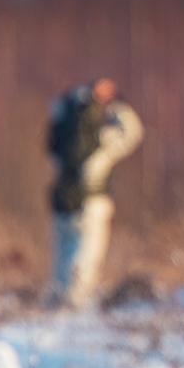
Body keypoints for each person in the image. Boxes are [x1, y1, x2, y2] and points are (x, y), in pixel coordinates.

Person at [46, 78, 143, 308]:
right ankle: (75, 308)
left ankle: (58, 306)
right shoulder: (101, 140)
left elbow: (55, 110)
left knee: (61, 264)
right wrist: (114, 102)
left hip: (62, 204)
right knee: (85, 262)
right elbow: (133, 132)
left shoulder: (60, 141)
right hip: (92, 205)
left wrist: (81, 94)